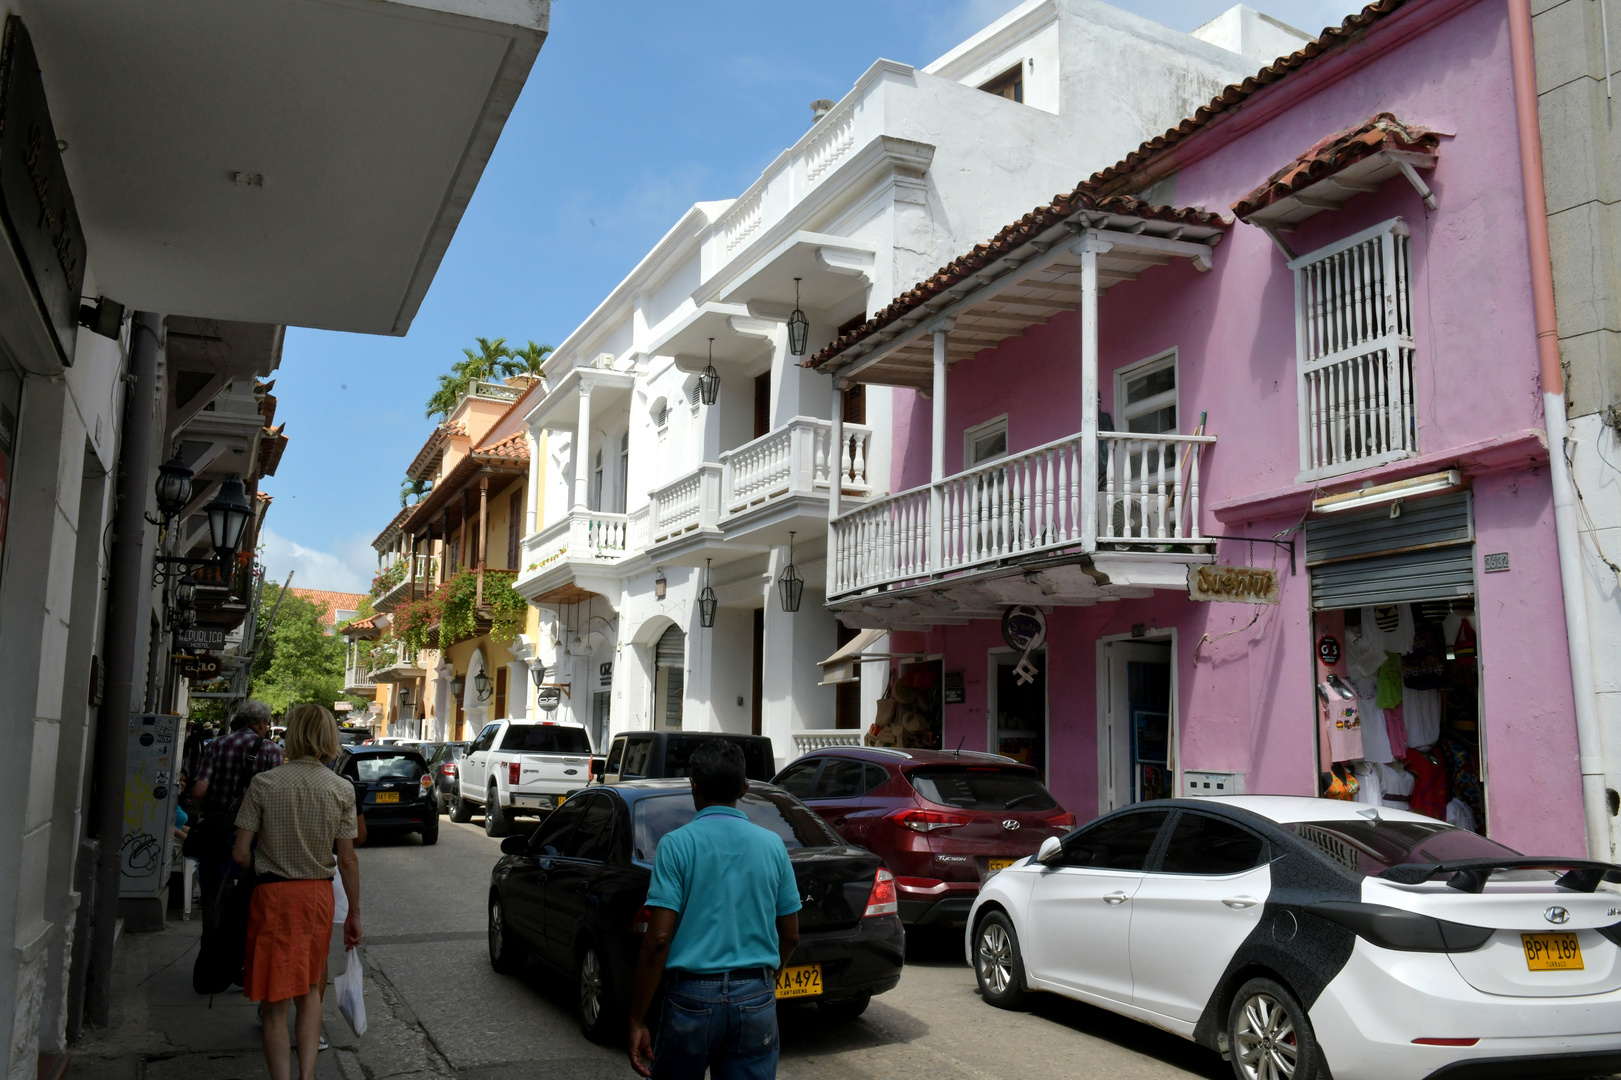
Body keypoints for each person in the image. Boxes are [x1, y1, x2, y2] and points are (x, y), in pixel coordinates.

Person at [627, 741, 801, 1079]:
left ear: (694, 786)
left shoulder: (676, 845)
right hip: (756, 995)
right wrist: (765, 983)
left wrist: (637, 1018)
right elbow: (791, 935)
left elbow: (659, 938)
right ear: (745, 788)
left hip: (691, 997)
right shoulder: (773, 846)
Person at [232, 705, 360, 1080]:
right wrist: (353, 912)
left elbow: (241, 853)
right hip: (318, 897)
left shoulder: (265, 784)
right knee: (309, 990)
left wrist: (265, 857)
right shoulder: (341, 789)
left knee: (274, 1003)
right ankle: (307, 1075)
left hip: (273, 897)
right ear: (329, 738)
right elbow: (348, 861)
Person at [189, 700, 284, 929]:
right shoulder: (271, 750)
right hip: (252, 836)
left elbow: (199, 790)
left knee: (214, 892)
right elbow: (276, 800)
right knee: (249, 894)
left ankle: (212, 946)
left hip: (216, 829)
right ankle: (240, 951)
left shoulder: (216, 745)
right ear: (261, 723)